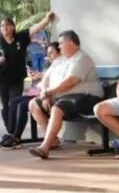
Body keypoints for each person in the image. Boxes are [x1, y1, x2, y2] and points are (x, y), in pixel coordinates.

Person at [28, 30, 103, 159]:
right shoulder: (60, 60)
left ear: (72, 43)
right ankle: (53, 140)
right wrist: (46, 95)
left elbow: (71, 82)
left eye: (62, 43)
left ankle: (44, 148)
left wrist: (49, 92)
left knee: (57, 108)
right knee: (33, 104)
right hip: (62, 97)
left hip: (87, 97)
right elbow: (45, 79)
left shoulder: (82, 58)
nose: (59, 46)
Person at [0, 11, 56, 131]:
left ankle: (15, 132)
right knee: (4, 105)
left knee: (14, 103)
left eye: (7, 25)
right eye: (2, 25)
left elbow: (35, 28)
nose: (5, 27)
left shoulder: (21, 37)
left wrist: (47, 19)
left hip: (17, 78)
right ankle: (10, 130)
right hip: (1, 78)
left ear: (13, 27)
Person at [0, 41, 60, 148]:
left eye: (52, 53)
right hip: (40, 92)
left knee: (22, 106)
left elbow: (56, 81)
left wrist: (41, 79)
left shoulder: (61, 65)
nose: (49, 56)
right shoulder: (54, 65)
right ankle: (12, 133)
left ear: (59, 53)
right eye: (48, 53)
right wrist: (39, 76)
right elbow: (46, 78)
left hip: (48, 95)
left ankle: (16, 137)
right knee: (14, 101)